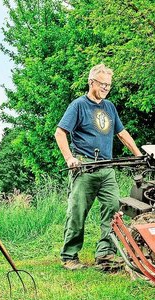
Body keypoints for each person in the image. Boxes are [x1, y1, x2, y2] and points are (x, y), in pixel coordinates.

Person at [54, 63, 142, 272]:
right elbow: (60, 133)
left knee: (113, 208)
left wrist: (138, 154)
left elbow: (121, 133)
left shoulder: (109, 107)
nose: (105, 88)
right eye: (102, 84)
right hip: (85, 167)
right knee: (78, 212)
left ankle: (105, 254)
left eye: (109, 85)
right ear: (91, 82)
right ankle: (69, 256)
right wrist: (69, 158)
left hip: (107, 168)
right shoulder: (78, 105)